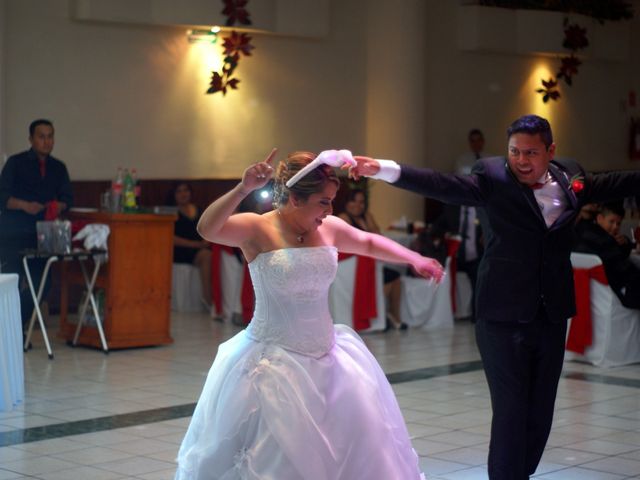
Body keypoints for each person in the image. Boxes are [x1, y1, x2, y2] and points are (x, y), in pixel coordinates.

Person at [348, 114, 640, 479]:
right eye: (515, 151)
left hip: (551, 313)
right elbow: (441, 184)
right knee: (511, 410)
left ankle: (518, 474)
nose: (521, 160)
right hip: (501, 314)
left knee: (540, 413)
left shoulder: (570, 175)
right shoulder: (493, 177)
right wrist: (384, 169)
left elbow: (616, 182)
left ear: (551, 151)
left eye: (531, 153)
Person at [174, 149, 444, 480]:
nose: (330, 210)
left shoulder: (329, 227)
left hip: (329, 357)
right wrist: (243, 188)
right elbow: (208, 228)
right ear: (295, 199)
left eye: (332, 201)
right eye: (323, 201)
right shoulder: (257, 229)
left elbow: (370, 243)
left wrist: (414, 259)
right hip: (272, 361)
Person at [0, 119, 73, 330]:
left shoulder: (59, 168)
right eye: (41, 136)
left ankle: (13, 327)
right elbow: (2, 196)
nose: (46, 141)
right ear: (31, 139)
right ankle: (8, 330)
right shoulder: (15, 162)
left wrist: (59, 205)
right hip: (13, 233)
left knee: (42, 284)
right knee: (11, 283)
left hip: (43, 235)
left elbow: (68, 198)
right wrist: (23, 205)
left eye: (50, 136)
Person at [338, 188, 406, 330]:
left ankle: (393, 315)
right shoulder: (343, 218)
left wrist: (368, 219)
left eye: (361, 202)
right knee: (389, 278)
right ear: (347, 202)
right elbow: (354, 242)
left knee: (396, 278)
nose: (358, 205)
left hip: (370, 262)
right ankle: (384, 314)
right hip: (353, 265)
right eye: (354, 201)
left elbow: (378, 237)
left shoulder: (366, 216)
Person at [574, 202, 640, 309]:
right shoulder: (603, 241)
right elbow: (622, 270)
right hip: (618, 292)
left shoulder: (581, 233)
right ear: (599, 218)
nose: (615, 227)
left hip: (588, 294)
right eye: (611, 222)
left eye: (618, 224)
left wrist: (623, 244)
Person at [170, 182, 213, 311]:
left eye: (186, 190)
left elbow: (207, 228)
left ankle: (222, 300)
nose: (183, 194)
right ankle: (207, 297)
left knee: (215, 254)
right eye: (179, 191)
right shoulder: (172, 212)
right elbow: (170, 238)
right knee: (207, 256)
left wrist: (206, 240)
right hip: (181, 250)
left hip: (199, 248)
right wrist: (195, 244)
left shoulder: (199, 210)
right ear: (174, 195)